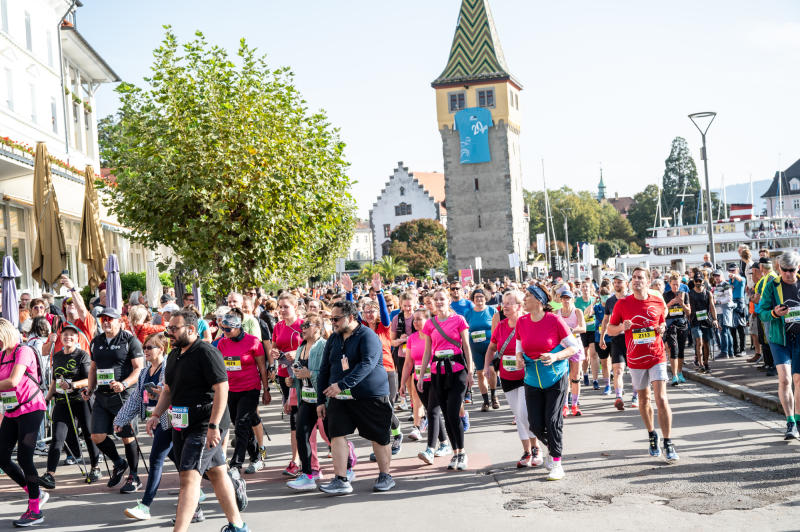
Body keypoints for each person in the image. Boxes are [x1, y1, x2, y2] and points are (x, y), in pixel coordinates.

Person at [146, 309, 249, 532]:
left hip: (205, 424)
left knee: (188, 477)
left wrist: (213, 426)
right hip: (181, 423)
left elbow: (222, 388)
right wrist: (155, 415)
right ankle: (238, 526)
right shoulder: (174, 354)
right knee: (217, 473)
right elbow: (168, 389)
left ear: (191, 329)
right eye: (168, 328)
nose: (169, 333)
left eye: (174, 328)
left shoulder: (206, 352)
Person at [317, 300, 395, 494]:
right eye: (331, 319)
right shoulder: (334, 339)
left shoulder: (368, 336)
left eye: (336, 319)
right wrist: (320, 400)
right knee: (336, 434)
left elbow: (367, 365)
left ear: (350, 317)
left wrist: (342, 385)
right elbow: (324, 369)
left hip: (370, 395)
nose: (333, 323)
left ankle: (385, 475)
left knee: (379, 436)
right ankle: (341, 479)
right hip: (340, 397)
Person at [607, 267, 678, 463]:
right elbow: (610, 329)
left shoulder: (657, 300)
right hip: (636, 359)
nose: (636, 280)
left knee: (661, 398)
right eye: (634, 277)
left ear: (647, 281)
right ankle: (652, 435)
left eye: (640, 277)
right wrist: (621, 327)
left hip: (657, 356)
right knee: (644, 399)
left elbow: (662, 321)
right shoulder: (622, 304)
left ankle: (668, 442)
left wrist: (662, 327)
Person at [514, 285, 579, 481]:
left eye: (528, 296)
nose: (524, 299)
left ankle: (557, 463)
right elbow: (519, 349)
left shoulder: (554, 320)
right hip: (532, 379)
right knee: (534, 424)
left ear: (539, 301)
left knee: (552, 421)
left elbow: (574, 348)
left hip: (555, 377)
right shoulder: (522, 322)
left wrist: (555, 356)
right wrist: (519, 359)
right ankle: (553, 446)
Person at [116, 332, 180, 521]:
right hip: (156, 420)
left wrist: (161, 393)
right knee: (180, 459)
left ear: (161, 349)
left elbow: (172, 391)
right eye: (144, 347)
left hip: (170, 420)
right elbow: (136, 399)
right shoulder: (144, 372)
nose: (145, 350)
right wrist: (120, 419)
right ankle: (202, 489)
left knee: (156, 459)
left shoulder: (168, 367)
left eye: (149, 347)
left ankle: (145, 506)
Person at [81, 307, 145, 493]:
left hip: (123, 396)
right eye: (103, 319)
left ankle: (134, 476)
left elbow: (139, 369)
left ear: (120, 321)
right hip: (102, 396)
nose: (106, 322)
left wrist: (123, 384)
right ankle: (119, 462)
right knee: (96, 436)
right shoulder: (97, 341)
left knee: (127, 436)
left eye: (110, 319)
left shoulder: (130, 341)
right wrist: (89, 389)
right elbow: (93, 368)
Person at [485, 290, 544, 468]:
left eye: (509, 303)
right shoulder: (501, 326)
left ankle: (536, 448)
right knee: (518, 415)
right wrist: (487, 366)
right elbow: (492, 348)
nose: (505, 306)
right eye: (503, 303)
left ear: (519, 306)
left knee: (525, 413)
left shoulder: (527, 323)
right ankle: (527, 452)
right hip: (507, 376)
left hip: (527, 376)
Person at [417, 287, 473, 471]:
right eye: (436, 299)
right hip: (437, 372)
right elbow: (427, 351)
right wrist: (421, 375)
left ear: (449, 301)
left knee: (453, 412)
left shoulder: (459, 320)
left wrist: (471, 371)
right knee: (446, 415)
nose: (439, 302)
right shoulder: (430, 324)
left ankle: (462, 452)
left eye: (442, 299)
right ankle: (455, 453)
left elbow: (466, 346)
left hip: (457, 371)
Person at [0, 318, 50, 527]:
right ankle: (34, 491)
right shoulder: (2, 354)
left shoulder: (24, 351)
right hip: (12, 410)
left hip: (31, 408)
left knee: (24, 457)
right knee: (2, 457)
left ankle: (35, 510)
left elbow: (13, 380)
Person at [39, 324, 100, 489]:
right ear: (61, 337)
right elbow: (54, 380)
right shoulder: (57, 356)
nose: (68, 337)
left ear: (77, 338)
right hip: (62, 402)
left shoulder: (82, 355)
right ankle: (50, 474)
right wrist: (47, 398)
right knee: (57, 438)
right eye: (65, 334)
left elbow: (89, 380)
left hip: (81, 400)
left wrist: (72, 385)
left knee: (89, 434)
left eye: (72, 335)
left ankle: (95, 467)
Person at [288, 314, 342, 489]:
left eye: (307, 325)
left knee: (331, 435)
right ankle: (307, 475)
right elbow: (300, 374)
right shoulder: (301, 347)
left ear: (318, 327)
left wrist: (310, 374)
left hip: (324, 399)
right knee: (301, 434)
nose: (302, 329)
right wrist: (292, 381)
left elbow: (331, 373)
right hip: (306, 398)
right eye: (302, 326)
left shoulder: (324, 345)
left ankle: (347, 465)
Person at [217, 309, 271, 474]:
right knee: (241, 424)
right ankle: (256, 457)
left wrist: (266, 390)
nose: (224, 332)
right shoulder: (222, 343)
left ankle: (236, 465)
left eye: (228, 329)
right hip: (231, 390)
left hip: (250, 388)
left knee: (241, 425)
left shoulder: (253, 341)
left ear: (238, 327)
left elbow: (262, 368)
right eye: (222, 328)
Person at [758, 250, 800, 440]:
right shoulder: (772, 285)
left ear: (798, 267)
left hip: (799, 337)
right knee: (785, 379)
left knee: (798, 380)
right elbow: (762, 312)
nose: (788, 274)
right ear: (778, 267)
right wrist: (774, 313)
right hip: (779, 338)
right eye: (784, 270)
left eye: (792, 270)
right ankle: (790, 422)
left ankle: (797, 420)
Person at [401, 308, 450, 464]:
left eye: (419, 319)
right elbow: (408, 363)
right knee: (431, 411)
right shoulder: (412, 338)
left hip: (435, 378)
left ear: (428, 321)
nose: (415, 322)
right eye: (414, 319)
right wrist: (402, 383)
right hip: (419, 381)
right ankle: (445, 444)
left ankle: (430, 449)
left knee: (433, 412)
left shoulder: (434, 336)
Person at [271, 292, 304, 477]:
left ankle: (337, 446)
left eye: (286, 307)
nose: (282, 310)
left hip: (304, 375)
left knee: (311, 418)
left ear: (295, 307)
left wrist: (296, 352)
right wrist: (275, 353)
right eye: (280, 307)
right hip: (285, 377)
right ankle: (295, 460)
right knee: (294, 417)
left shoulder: (303, 325)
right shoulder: (278, 326)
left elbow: (314, 346)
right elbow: (274, 347)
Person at [600, 273, 634, 409]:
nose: (617, 285)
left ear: (626, 283)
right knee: (618, 369)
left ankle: (636, 395)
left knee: (634, 370)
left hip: (632, 339)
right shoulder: (610, 301)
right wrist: (602, 337)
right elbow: (605, 320)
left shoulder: (632, 298)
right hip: (616, 338)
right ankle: (619, 397)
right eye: (615, 282)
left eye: (619, 282)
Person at [464, 289, 497, 412]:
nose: (479, 299)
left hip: (490, 347)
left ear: (485, 298)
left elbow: (498, 328)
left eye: (481, 296)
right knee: (480, 373)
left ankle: (493, 396)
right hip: (475, 348)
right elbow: (464, 330)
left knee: (492, 371)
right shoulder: (468, 313)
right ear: (473, 299)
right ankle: (486, 401)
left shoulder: (492, 311)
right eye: (476, 297)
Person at [558, 290, 585, 416]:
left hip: (575, 346)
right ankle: (565, 406)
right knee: (564, 377)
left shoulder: (577, 311)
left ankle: (575, 405)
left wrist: (570, 330)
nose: (566, 300)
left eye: (568, 298)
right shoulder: (557, 313)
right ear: (560, 300)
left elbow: (583, 328)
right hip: (561, 347)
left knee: (575, 376)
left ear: (572, 299)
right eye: (564, 298)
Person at [689, 271, 718, 373]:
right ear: (694, 281)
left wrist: (715, 319)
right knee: (699, 342)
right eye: (696, 281)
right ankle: (700, 364)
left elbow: (712, 307)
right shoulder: (690, 293)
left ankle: (706, 363)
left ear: (703, 281)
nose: (698, 282)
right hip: (695, 321)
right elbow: (688, 308)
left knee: (706, 343)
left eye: (700, 281)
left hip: (706, 320)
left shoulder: (708, 293)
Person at [664, 272, 690, 385]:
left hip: (682, 324)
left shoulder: (684, 294)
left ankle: (680, 372)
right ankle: (674, 375)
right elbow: (662, 310)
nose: (676, 286)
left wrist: (682, 304)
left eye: (678, 284)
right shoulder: (666, 295)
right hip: (670, 324)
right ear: (670, 284)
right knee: (673, 349)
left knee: (681, 350)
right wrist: (670, 303)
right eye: (674, 284)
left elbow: (689, 312)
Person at [575, 281, 597, 389]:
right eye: (583, 287)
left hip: (593, 329)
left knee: (593, 354)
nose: (585, 288)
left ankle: (595, 379)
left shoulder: (595, 300)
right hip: (582, 330)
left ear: (591, 288)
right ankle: (585, 374)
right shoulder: (577, 301)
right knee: (585, 356)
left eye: (587, 286)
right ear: (581, 289)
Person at [711, 270, 735, 359]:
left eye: (718, 276)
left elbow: (729, 298)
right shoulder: (718, 286)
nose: (716, 278)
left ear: (722, 276)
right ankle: (730, 352)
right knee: (726, 332)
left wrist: (717, 301)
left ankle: (725, 352)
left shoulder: (726, 284)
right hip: (720, 311)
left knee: (724, 332)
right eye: (715, 276)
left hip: (724, 311)